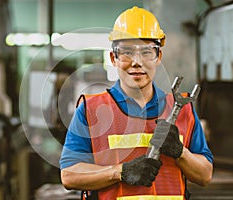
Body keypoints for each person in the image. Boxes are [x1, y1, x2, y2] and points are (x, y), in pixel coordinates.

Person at [60, 6, 213, 200]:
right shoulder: (91, 110)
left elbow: (205, 175)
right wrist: (119, 172)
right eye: (127, 52)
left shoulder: (183, 111)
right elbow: (69, 175)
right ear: (113, 58)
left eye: (147, 52)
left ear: (158, 57)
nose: (136, 62)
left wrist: (181, 152)